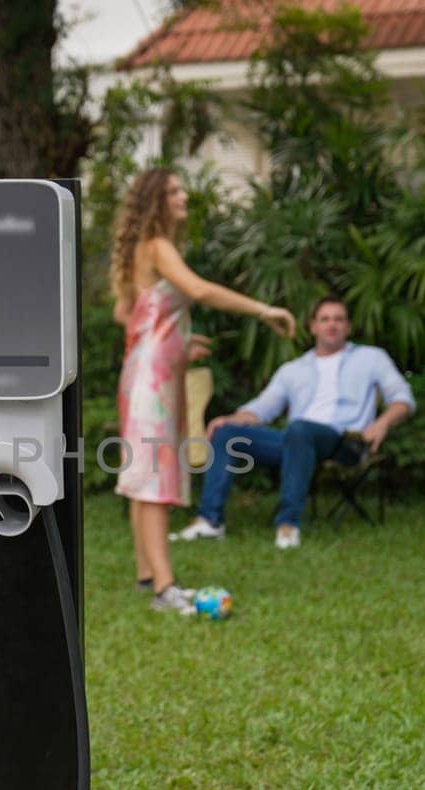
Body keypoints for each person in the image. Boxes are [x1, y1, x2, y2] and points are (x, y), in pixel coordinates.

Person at [113, 168, 297, 612]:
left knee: (143, 476)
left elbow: (127, 314)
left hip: (144, 372)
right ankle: (164, 589)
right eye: (174, 190)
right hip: (153, 380)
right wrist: (262, 309)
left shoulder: (143, 250)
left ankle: (146, 576)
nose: (184, 196)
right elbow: (197, 289)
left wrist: (177, 341)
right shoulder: (158, 247)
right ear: (157, 200)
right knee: (154, 478)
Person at [173, 297, 414, 549]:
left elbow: (402, 397)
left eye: (339, 319)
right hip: (296, 442)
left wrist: (383, 422)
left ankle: (288, 524)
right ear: (313, 327)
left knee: (300, 429)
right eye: (325, 319)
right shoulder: (293, 369)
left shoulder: (371, 358)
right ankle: (210, 522)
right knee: (227, 433)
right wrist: (231, 419)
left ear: (348, 327)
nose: (332, 325)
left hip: (345, 441)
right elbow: (261, 409)